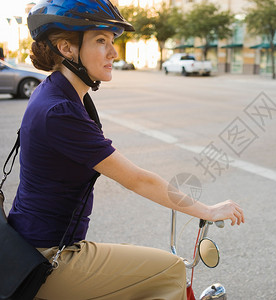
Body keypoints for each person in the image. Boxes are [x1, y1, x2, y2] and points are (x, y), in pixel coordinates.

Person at [7, 0, 244, 299]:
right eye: (101, 41)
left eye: (112, 41)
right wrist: (207, 210)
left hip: (37, 244)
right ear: (67, 48)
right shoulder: (59, 110)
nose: (113, 52)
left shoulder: (59, 93)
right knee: (170, 270)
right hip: (50, 257)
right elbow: (136, 179)